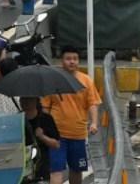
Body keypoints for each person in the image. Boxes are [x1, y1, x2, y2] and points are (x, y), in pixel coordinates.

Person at [42, 46, 101, 184]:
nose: (72, 62)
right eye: (68, 59)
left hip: (78, 134)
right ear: (62, 61)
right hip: (56, 136)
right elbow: (45, 107)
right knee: (56, 170)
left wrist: (94, 123)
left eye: (75, 59)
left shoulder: (86, 81)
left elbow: (92, 103)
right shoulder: (53, 81)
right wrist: (45, 128)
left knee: (77, 170)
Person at [22, 96, 61, 183]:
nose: (25, 102)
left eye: (29, 99)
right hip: (22, 169)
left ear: (36, 101)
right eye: (23, 99)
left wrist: (42, 137)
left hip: (42, 169)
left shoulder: (46, 119)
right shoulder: (18, 120)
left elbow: (56, 144)